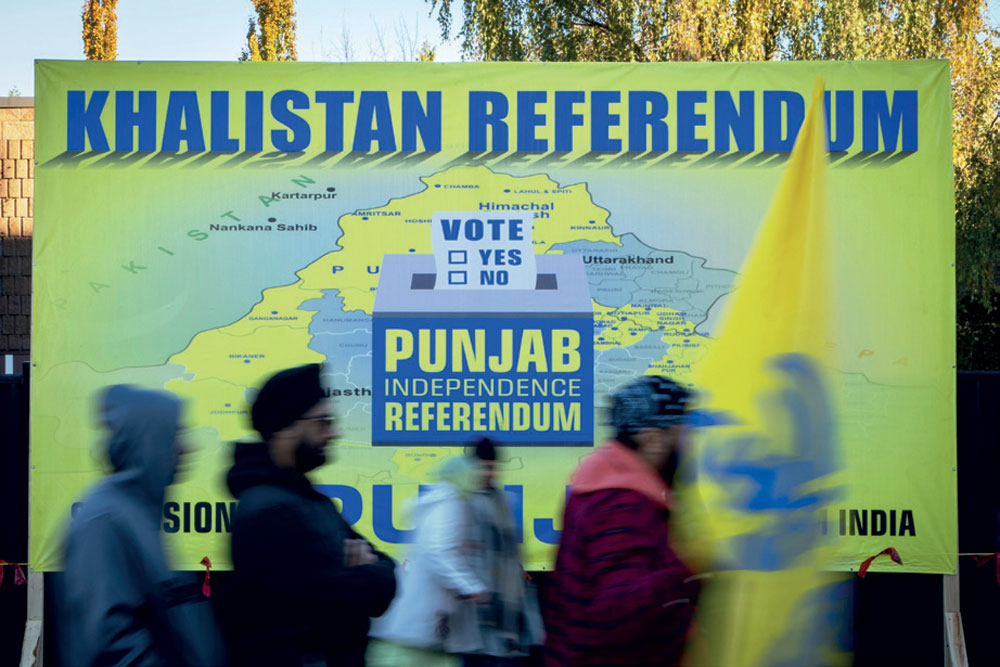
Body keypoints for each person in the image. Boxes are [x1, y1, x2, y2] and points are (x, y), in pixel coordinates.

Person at [226, 364, 396, 667]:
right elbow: (331, 610)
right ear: (284, 428)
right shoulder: (268, 511)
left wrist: (358, 577)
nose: (335, 432)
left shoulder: (311, 501)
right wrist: (364, 577)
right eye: (323, 422)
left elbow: (385, 574)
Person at [543, 375, 701, 667]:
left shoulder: (603, 489)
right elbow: (619, 609)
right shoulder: (622, 504)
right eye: (683, 435)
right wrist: (692, 565)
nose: (690, 448)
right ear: (652, 438)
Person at [62, 385, 224, 666]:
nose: (188, 447)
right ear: (149, 440)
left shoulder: (139, 511)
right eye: (175, 434)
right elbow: (111, 643)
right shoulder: (105, 520)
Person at [368, 455, 488, 667]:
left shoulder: (436, 502)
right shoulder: (450, 503)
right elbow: (437, 550)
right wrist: (470, 586)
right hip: (421, 628)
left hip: (417, 628)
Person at [463, 438, 544, 666]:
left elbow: (514, 555)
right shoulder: (462, 502)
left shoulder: (505, 501)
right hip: (476, 613)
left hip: (509, 610)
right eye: (482, 466)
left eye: (492, 466)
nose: (488, 472)